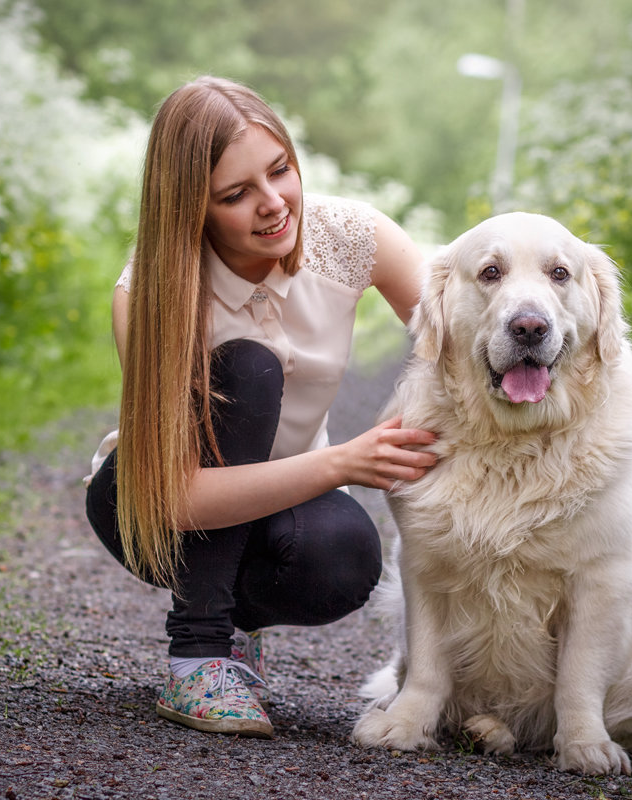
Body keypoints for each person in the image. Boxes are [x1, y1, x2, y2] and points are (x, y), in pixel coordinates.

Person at [84, 76, 436, 740]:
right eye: (236, 194)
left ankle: (234, 630)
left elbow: (457, 337)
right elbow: (175, 498)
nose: (273, 204)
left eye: (280, 171)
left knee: (346, 555)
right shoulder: (150, 293)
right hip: (152, 505)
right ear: (193, 208)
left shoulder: (351, 236)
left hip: (275, 499)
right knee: (247, 367)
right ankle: (197, 655)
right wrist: (342, 463)